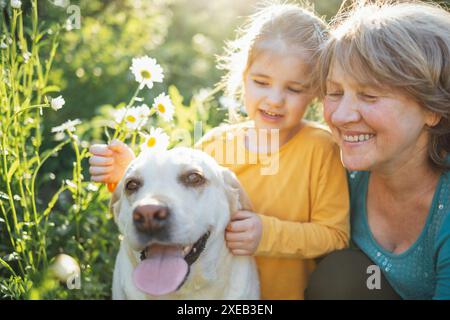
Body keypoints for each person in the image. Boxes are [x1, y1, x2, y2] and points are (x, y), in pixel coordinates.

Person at [89, 3, 350, 300]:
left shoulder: (322, 148)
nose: (275, 99)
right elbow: (173, 201)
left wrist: (267, 234)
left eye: (294, 89)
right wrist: (126, 173)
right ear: (243, 77)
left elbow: (336, 236)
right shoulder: (214, 145)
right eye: (261, 82)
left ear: (316, 90)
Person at [305, 1, 450, 300]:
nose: (342, 115)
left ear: (432, 109)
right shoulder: (333, 172)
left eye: (369, 95)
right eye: (335, 92)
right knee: (339, 277)